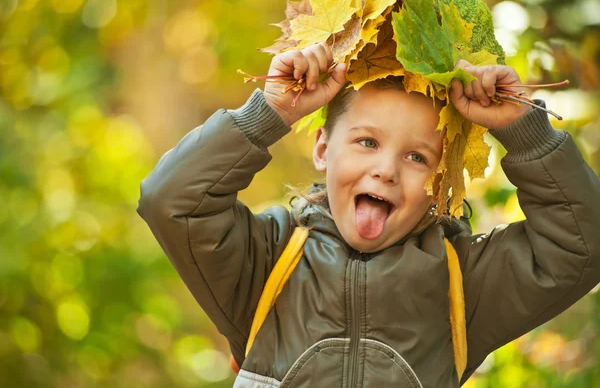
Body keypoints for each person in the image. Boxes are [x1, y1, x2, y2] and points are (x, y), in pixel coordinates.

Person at [136, 42, 600, 387]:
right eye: (367, 142)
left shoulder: (465, 283)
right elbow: (172, 200)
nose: (386, 170)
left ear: (442, 178)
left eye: (417, 157)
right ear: (322, 148)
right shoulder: (266, 261)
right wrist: (269, 113)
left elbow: (583, 244)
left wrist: (527, 133)